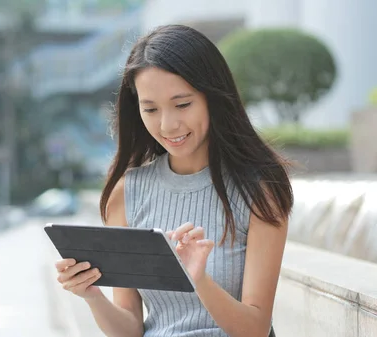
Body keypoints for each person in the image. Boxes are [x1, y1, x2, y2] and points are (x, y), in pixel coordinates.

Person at [54, 24, 293, 337]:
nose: (167, 125)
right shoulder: (127, 193)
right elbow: (130, 328)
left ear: (213, 97)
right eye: (150, 109)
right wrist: (91, 295)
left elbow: (255, 329)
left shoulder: (259, 188)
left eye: (182, 104)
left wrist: (200, 280)